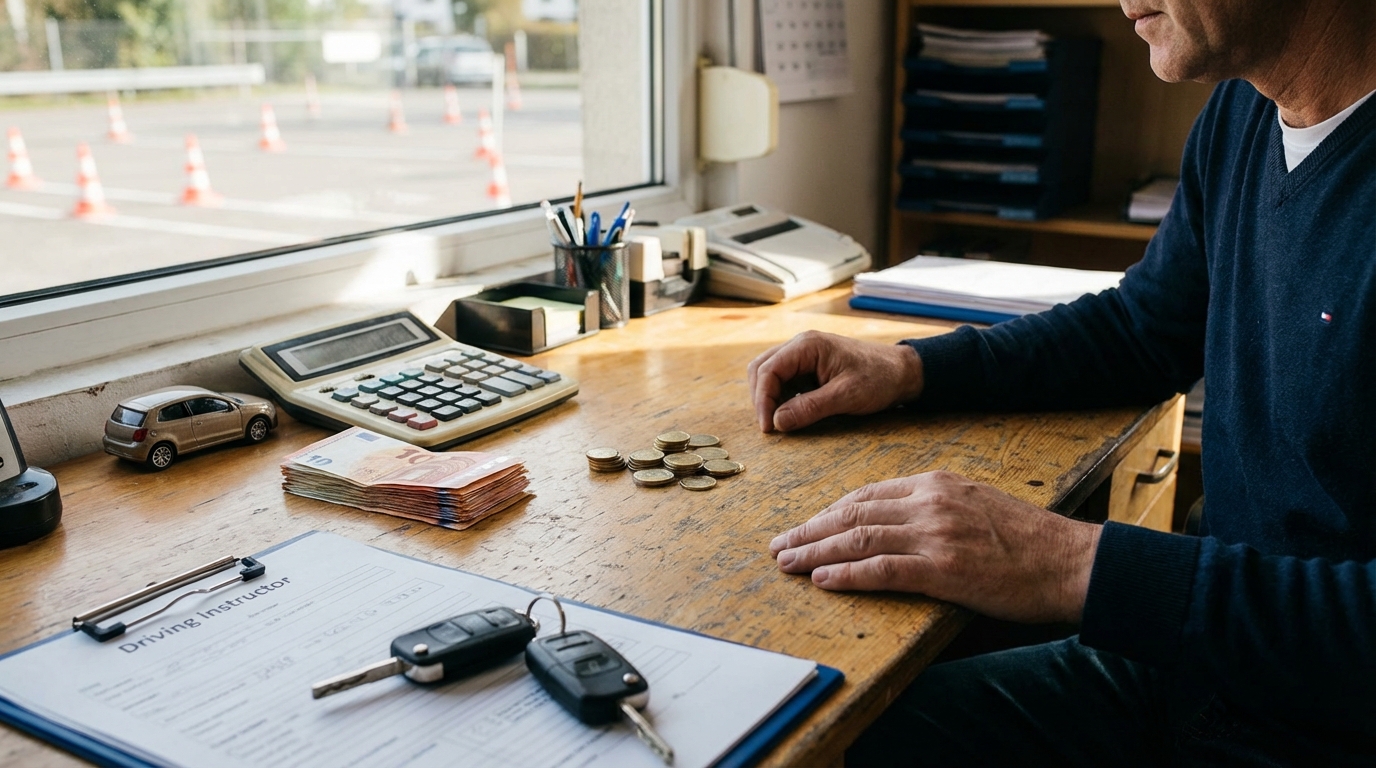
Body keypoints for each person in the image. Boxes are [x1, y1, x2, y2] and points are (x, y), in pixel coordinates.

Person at [748, 0, 1376, 763]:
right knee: (829, 745)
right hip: (1199, 674)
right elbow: (1143, 328)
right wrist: (911, 368)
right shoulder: (1240, 113)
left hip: (1325, 728)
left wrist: (1074, 563)